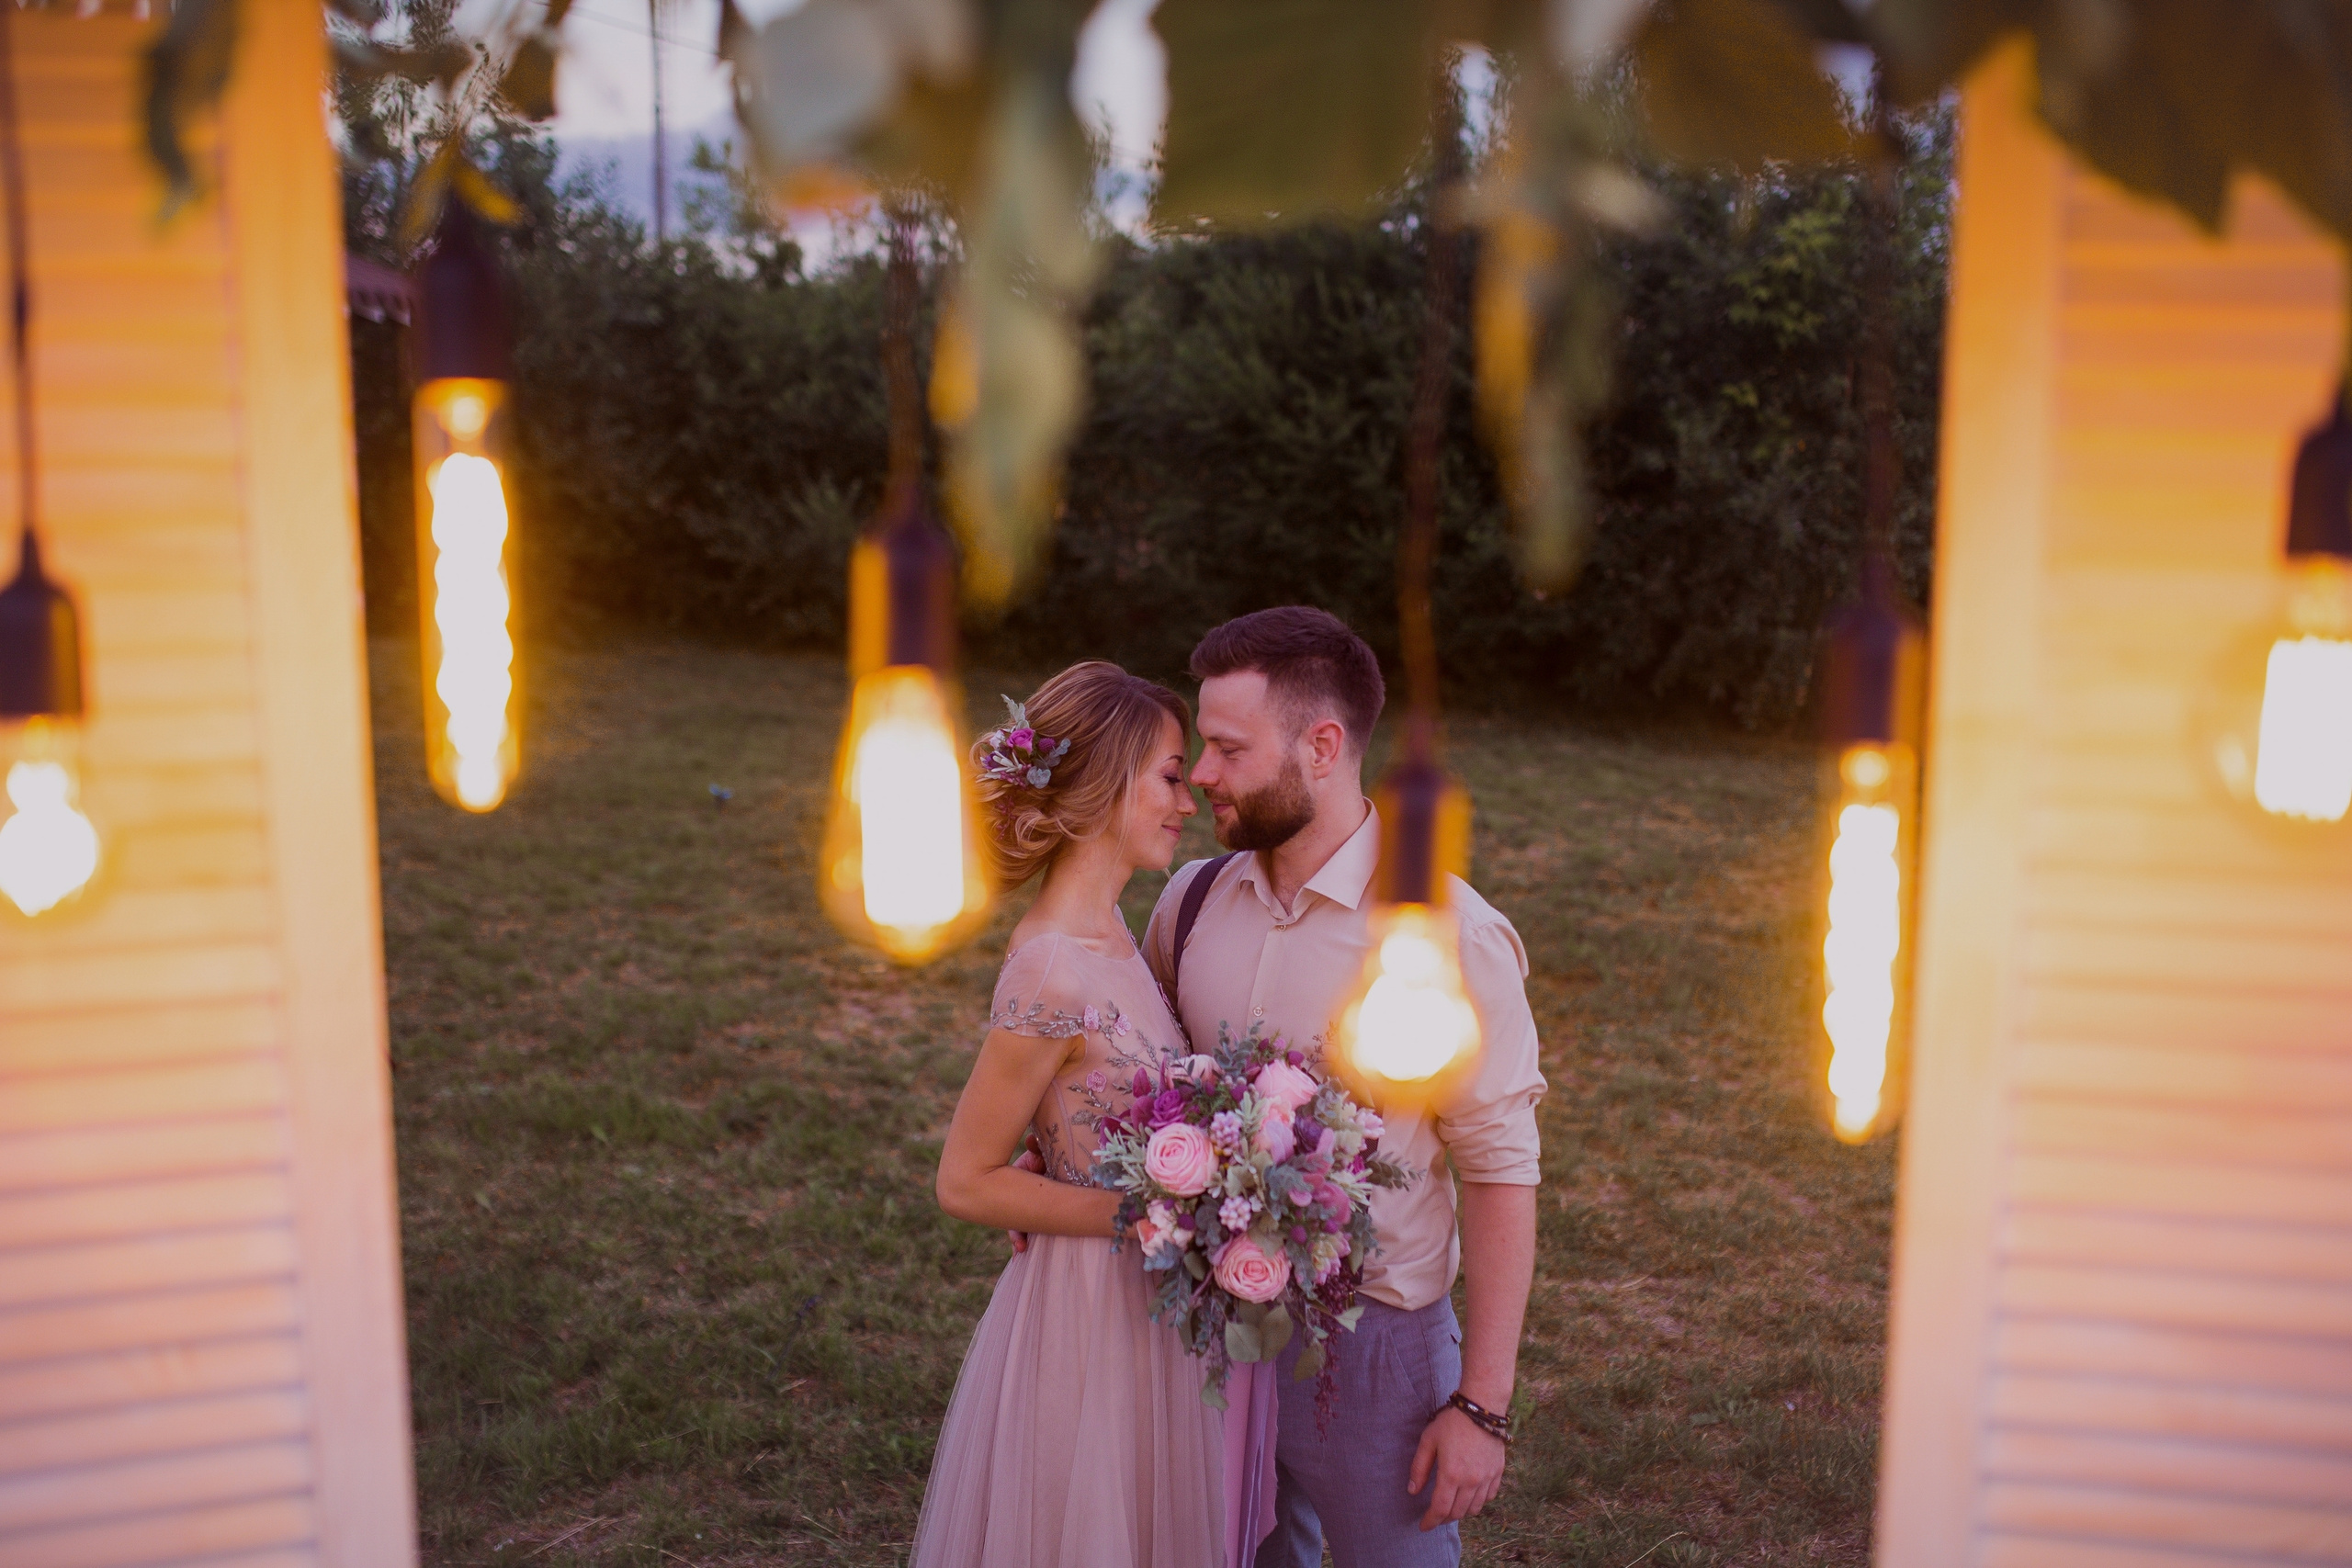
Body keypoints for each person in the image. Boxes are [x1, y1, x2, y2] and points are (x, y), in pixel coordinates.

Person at [1144, 606, 1546, 1568]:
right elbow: (1134, 1076)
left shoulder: (1452, 938)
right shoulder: (1188, 900)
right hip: (1204, 1332)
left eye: (1228, 749)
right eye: (1203, 745)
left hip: (1378, 1355)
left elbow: (1499, 1170)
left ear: (1322, 747)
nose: (1200, 773)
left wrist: (1481, 1407)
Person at [910, 660, 1227, 1568]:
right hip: (1084, 1311)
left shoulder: (1118, 932)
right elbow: (964, 1180)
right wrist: (1146, 1211)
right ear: (1102, 785)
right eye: (1170, 775)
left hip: (1147, 1304)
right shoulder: (1051, 969)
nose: (1187, 800)